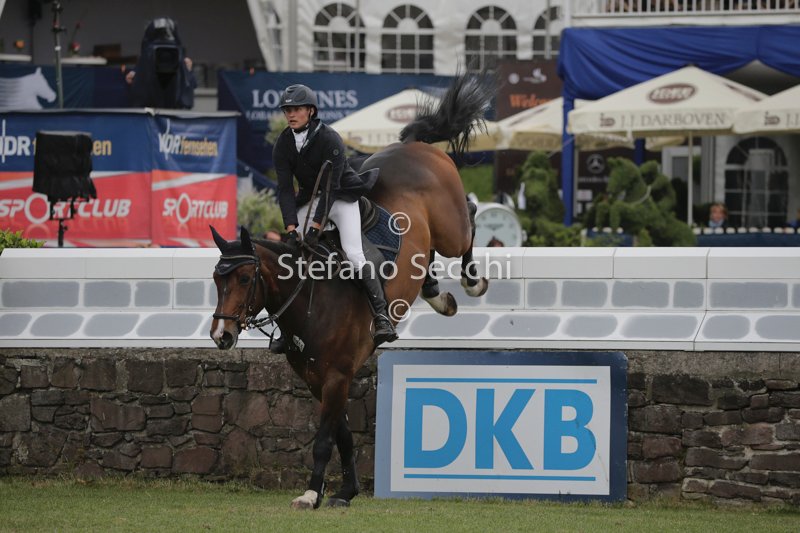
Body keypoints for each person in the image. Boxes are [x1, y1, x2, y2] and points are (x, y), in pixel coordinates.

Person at [270, 83, 397, 353]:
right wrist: (291, 228)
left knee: (354, 254)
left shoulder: (330, 139)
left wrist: (314, 227)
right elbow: (285, 189)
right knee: (290, 254)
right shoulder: (283, 143)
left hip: (341, 197)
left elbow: (331, 188)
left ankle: (381, 316)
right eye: (287, 110)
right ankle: (285, 329)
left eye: (296, 109)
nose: (290, 114)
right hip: (311, 198)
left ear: (310, 111)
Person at [126, 17, 196, 109]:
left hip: (170, 110)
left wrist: (188, 72)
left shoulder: (180, 59)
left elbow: (187, 93)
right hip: (152, 110)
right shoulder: (146, 57)